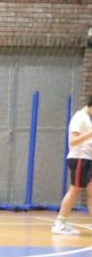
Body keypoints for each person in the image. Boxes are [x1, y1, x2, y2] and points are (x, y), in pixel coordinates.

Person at [52, 94, 92, 235]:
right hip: (80, 158)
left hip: (87, 159)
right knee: (75, 189)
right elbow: (73, 141)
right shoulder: (79, 117)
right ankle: (59, 223)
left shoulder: (87, 118)